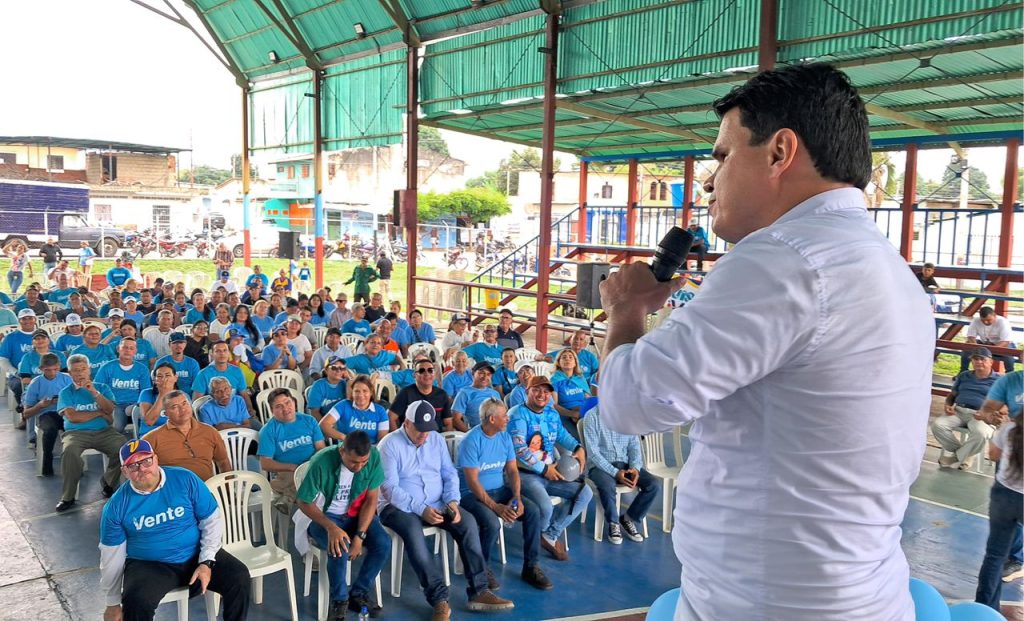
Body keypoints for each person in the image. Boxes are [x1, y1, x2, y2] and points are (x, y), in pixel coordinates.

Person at [596, 64, 934, 619]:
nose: (709, 179)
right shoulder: (883, 265)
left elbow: (631, 403)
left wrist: (626, 310)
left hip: (767, 601)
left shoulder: (784, 259)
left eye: (724, 155)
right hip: (857, 591)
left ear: (780, 152)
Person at [378, 401, 514, 620]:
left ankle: (479, 591)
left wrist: (452, 500)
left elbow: (449, 473)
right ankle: (439, 599)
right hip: (398, 507)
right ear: (407, 423)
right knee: (414, 533)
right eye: (420, 431)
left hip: (437, 502)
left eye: (428, 431)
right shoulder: (389, 445)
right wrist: (421, 509)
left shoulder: (436, 440)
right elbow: (389, 489)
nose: (425, 436)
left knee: (468, 524)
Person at [99, 439, 251, 621]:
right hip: (151, 564)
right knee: (136, 601)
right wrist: (112, 603)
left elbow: (211, 521)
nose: (142, 469)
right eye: (133, 465)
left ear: (156, 459)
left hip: (195, 553)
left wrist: (206, 561)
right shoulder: (116, 506)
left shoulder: (185, 479)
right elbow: (111, 556)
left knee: (238, 577)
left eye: (146, 461)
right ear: (124, 471)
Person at [457, 398, 552, 591]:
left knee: (532, 511)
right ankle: (482, 569)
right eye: (504, 416)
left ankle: (531, 566)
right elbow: (472, 482)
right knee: (491, 522)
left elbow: (512, 471)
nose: (508, 418)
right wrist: (496, 507)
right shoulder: (471, 440)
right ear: (492, 419)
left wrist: (516, 496)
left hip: (500, 490)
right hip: (471, 495)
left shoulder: (504, 437)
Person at [296, 431, 389, 620]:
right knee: (340, 546)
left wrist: (360, 535)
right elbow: (304, 502)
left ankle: (358, 593)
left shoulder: (373, 456)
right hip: (323, 516)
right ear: (342, 451)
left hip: (356, 515)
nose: (360, 466)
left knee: (383, 543)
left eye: (364, 462)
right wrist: (332, 528)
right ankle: (339, 600)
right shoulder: (321, 461)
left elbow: (371, 500)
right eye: (354, 462)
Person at [508, 375, 592, 562]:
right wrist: (545, 470)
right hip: (525, 474)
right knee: (545, 507)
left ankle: (549, 535)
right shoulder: (517, 414)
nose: (542, 394)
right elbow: (519, 449)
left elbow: (561, 434)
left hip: (550, 471)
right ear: (527, 392)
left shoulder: (551, 413)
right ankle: (539, 539)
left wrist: (579, 447)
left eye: (546, 391)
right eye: (536, 389)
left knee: (585, 493)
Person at [55, 354, 123, 512]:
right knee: (69, 452)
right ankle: (68, 496)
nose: (80, 373)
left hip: (104, 431)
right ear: (70, 373)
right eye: (76, 371)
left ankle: (108, 482)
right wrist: (99, 414)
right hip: (76, 433)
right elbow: (73, 417)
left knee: (122, 447)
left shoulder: (102, 388)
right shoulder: (66, 392)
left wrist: (94, 393)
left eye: (83, 369)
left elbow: (110, 409)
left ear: (89, 370)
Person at [582, 406, 659, 545]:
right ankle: (613, 522)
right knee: (607, 485)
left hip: (625, 464)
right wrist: (615, 472)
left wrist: (634, 468)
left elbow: (634, 447)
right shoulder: (591, 416)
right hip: (600, 466)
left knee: (653, 484)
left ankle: (629, 518)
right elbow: (593, 454)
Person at [973, 404, 1022, 610]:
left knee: (994, 556)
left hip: (1005, 495)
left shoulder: (1009, 429)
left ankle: (985, 609)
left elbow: (993, 455)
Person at [258, 387, 326, 513]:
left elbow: (321, 449)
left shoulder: (309, 420)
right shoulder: (268, 430)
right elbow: (265, 463)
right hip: (288, 472)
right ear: (272, 410)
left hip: (312, 465)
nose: (285, 408)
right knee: (304, 479)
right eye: (278, 406)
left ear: (294, 402)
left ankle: (288, 497)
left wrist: (312, 464)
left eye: (287, 402)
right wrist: (293, 467)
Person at [931, 347, 1001, 470]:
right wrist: (948, 405)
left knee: (981, 433)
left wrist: (987, 412)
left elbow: (1003, 403)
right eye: (975, 359)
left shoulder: (999, 380)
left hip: (982, 416)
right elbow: (952, 395)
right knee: (938, 425)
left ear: (991, 361)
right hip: (959, 411)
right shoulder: (964, 375)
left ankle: (956, 457)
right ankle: (965, 454)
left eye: (982, 359)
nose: (978, 362)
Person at [142, 390, 231, 481]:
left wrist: (228, 490)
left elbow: (223, 461)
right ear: (165, 414)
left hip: (207, 489)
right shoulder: (152, 438)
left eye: (185, 403)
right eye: (175, 407)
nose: (182, 409)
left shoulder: (210, 431)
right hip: (174, 492)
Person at [22, 353, 73, 472]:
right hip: (46, 413)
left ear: (59, 367)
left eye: (55, 369)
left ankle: (73, 463)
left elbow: (77, 399)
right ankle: (46, 461)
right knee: (49, 430)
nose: (52, 373)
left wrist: (64, 401)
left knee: (74, 429)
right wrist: (40, 405)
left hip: (66, 411)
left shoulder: (67, 379)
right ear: (41, 369)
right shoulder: (35, 383)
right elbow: (26, 413)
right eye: (48, 370)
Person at [95, 338, 153, 433]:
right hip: (116, 405)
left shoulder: (142, 369)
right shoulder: (107, 367)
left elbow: (145, 391)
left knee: (145, 428)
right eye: (125, 347)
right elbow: (98, 388)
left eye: (131, 348)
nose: (128, 350)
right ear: (118, 349)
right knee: (117, 428)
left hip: (136, 404)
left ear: (135, 351)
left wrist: (140, 405)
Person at [320, 374, 388, 444]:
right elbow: (323, 424)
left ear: (371, 392)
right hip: (346, 448)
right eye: (357, 391)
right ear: (352, 392)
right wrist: (344, 438)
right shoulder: (343, 405)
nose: (361, 395)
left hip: (371, 449)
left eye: (365, 391)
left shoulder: (380, 411)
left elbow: (382, 439)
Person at [388, 358, 452, 432]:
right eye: (421, 371)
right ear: (414, 375)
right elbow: (391, 418)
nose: (426, 373)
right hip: (410, 439)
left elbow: (448, 423)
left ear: (434, 375)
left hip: (435, 438)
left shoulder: (442, 395)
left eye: (430, 370)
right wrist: (399, 439)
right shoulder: (405, 393)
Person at [192, 342, 255, 416]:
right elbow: (197, 402)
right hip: (214, 414)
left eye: (225, 350)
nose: (222, 353)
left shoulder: (237, 371)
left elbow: (244, 394)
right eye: (218, 351)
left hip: (237, 412)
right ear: (212, 354)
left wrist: (250, 409)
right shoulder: (203, 374)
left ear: (229, 353)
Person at [549, 349, 592, 440]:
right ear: (559, 363)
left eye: (570, 357)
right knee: (581, 438)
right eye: (564, 357)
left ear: (575, 363)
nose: (567, 359)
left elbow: (588, 398)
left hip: (583, 413)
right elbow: (553, 405)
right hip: (565, 415)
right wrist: (572, 414)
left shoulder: (580, 378)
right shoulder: (555, 380)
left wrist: (583, 412)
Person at [962, 306, 1016, 373]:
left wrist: (990, 350)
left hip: (1001, 345)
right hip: (984, 344)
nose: (986, 322)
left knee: (1008, 353)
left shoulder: (1003, 322)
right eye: (983, 320)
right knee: (967, 347)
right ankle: (963, 371)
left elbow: (1005, 341)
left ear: (994, 316)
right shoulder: (976, 320)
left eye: (989, 320)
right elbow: (971, 336)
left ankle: (1009, 374)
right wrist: (976, 347)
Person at [452, 362, 501, 431]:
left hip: (496, 432)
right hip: (477, 432)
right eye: (481, 373)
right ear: (473, 373)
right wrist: (470, 434)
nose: (485, 377)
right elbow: (456, 419)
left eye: (488, 374)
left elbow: (502, 415)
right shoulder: (464, 393)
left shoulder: (495, 393)